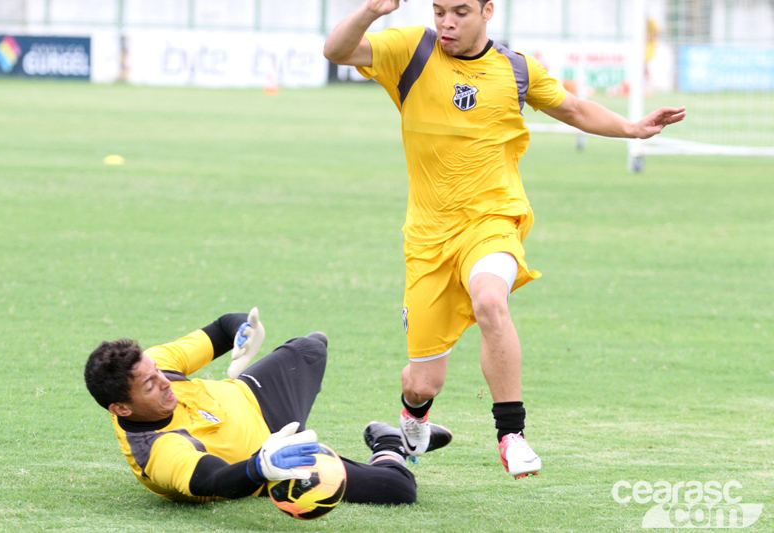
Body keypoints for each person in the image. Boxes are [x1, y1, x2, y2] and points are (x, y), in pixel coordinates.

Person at [323, 0, 686, 479]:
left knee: (491, 301)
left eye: (460, 12)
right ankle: (413, 420)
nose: (447, 22)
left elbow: (573, 108)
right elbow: (337, 51)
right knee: (424, 380)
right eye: (439, 11)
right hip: (429, 238)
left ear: (487, 11)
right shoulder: (410, 49)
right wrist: (371, 10)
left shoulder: (515, 69)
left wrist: (631, 128)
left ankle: (511, 434)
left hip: (494, 219)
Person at [83, 308, 451, 504]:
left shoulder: (154, 363)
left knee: (311, 348)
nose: (163, 379)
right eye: (150, 384)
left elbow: (223, 326)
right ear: (122, 409)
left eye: (155, 371)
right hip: (274, 457)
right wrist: (262, 467)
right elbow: (214, 480)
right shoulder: (159, 450)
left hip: (254, 396)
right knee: (398, 489)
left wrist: (244, 332)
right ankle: (390, 443)